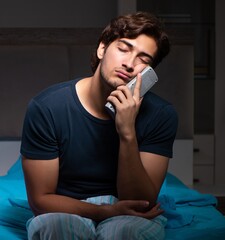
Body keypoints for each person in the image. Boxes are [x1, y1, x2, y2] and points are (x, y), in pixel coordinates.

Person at [21, 11, 178, 240]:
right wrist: (105, 212)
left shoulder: (161, 115)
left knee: (127, 232)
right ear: (102, 48)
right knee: (55, 228)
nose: (130, 63)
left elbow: (141, 202)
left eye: (144, 60)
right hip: (65, 207)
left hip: (128, 212)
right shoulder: (47, 108)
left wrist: (127, 132)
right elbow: (41, 200)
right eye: (123, 49)